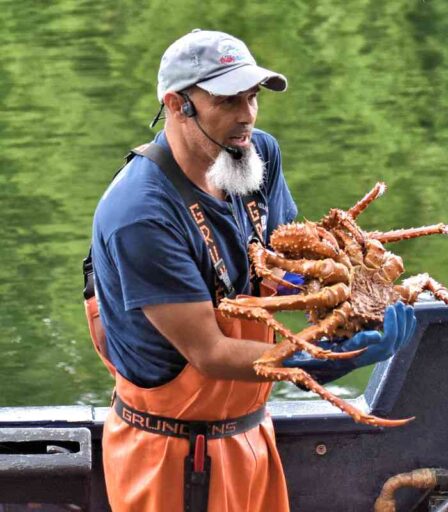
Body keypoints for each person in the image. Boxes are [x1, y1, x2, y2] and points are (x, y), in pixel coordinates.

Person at [89, 29, 416, 512]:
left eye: (253, 96)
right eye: (227, 101)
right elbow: (211, 352)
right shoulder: (141, 213)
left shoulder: (255, 156)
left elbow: (295, 271)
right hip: (171, 457)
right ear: (178, 104)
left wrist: (355, 306)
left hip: (251, 433)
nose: (246, 116)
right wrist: (320, 360)